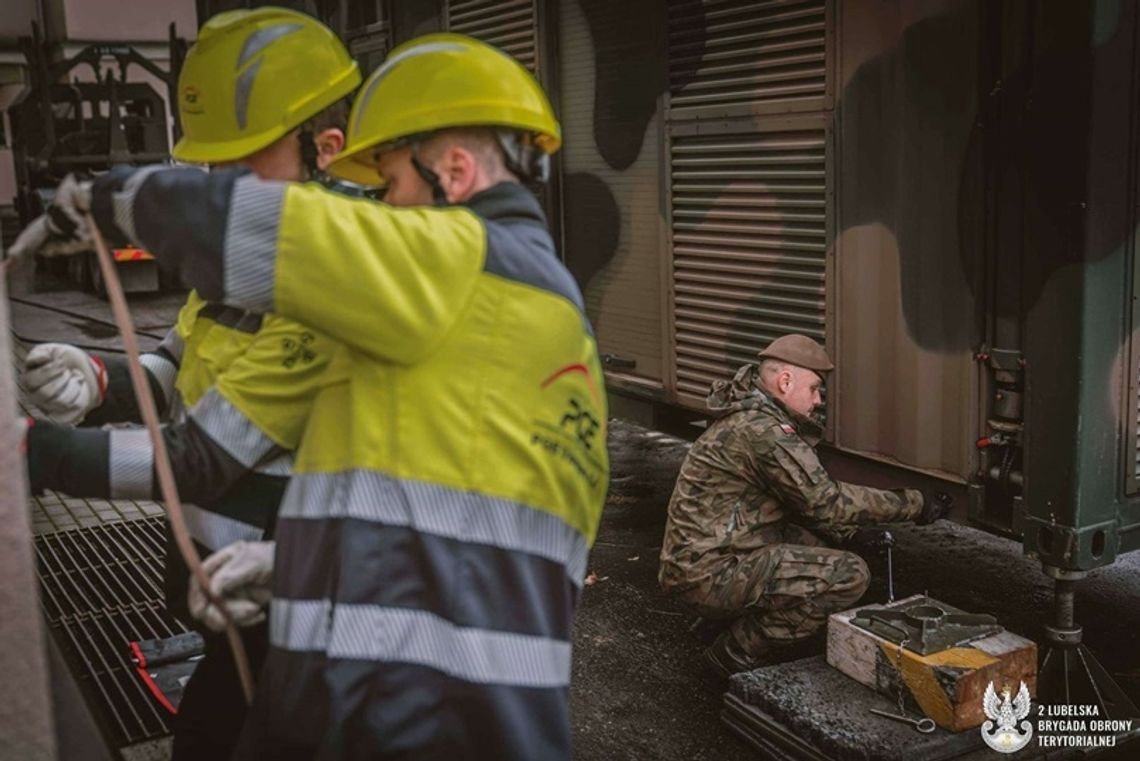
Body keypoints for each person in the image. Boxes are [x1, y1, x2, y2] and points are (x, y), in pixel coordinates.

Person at [11, 33, 609, 760]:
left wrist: (100, 199)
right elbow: (451, 518)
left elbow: (261, 229)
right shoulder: (541, 317)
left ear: (453, 169)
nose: (384, 206)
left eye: (389, 182)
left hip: (402, 708)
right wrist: (305, 565)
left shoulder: (458, 264)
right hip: (461, 705)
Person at [16, 8, 361, 758]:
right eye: (212, 170)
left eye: (243, 169)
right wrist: (100, 376)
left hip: (310, 616)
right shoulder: (246, 256)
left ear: (325, 151)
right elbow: (179, 365)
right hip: (235, 595)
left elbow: (202, 454)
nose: (216, 195)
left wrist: (35, 453)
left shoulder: (336, 284)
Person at [657, 334, 953, 678]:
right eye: (814, 389)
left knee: (815, 542)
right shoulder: (764, 432)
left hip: (698, 561)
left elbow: (797, 502)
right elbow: (826, 501)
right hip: (706, 576)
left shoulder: (747, 415)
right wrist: (915, 504)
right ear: (785, 382)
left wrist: (849, 533)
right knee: (849, 575)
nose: (816, 401)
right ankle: (732, 654)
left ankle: (713, 623)